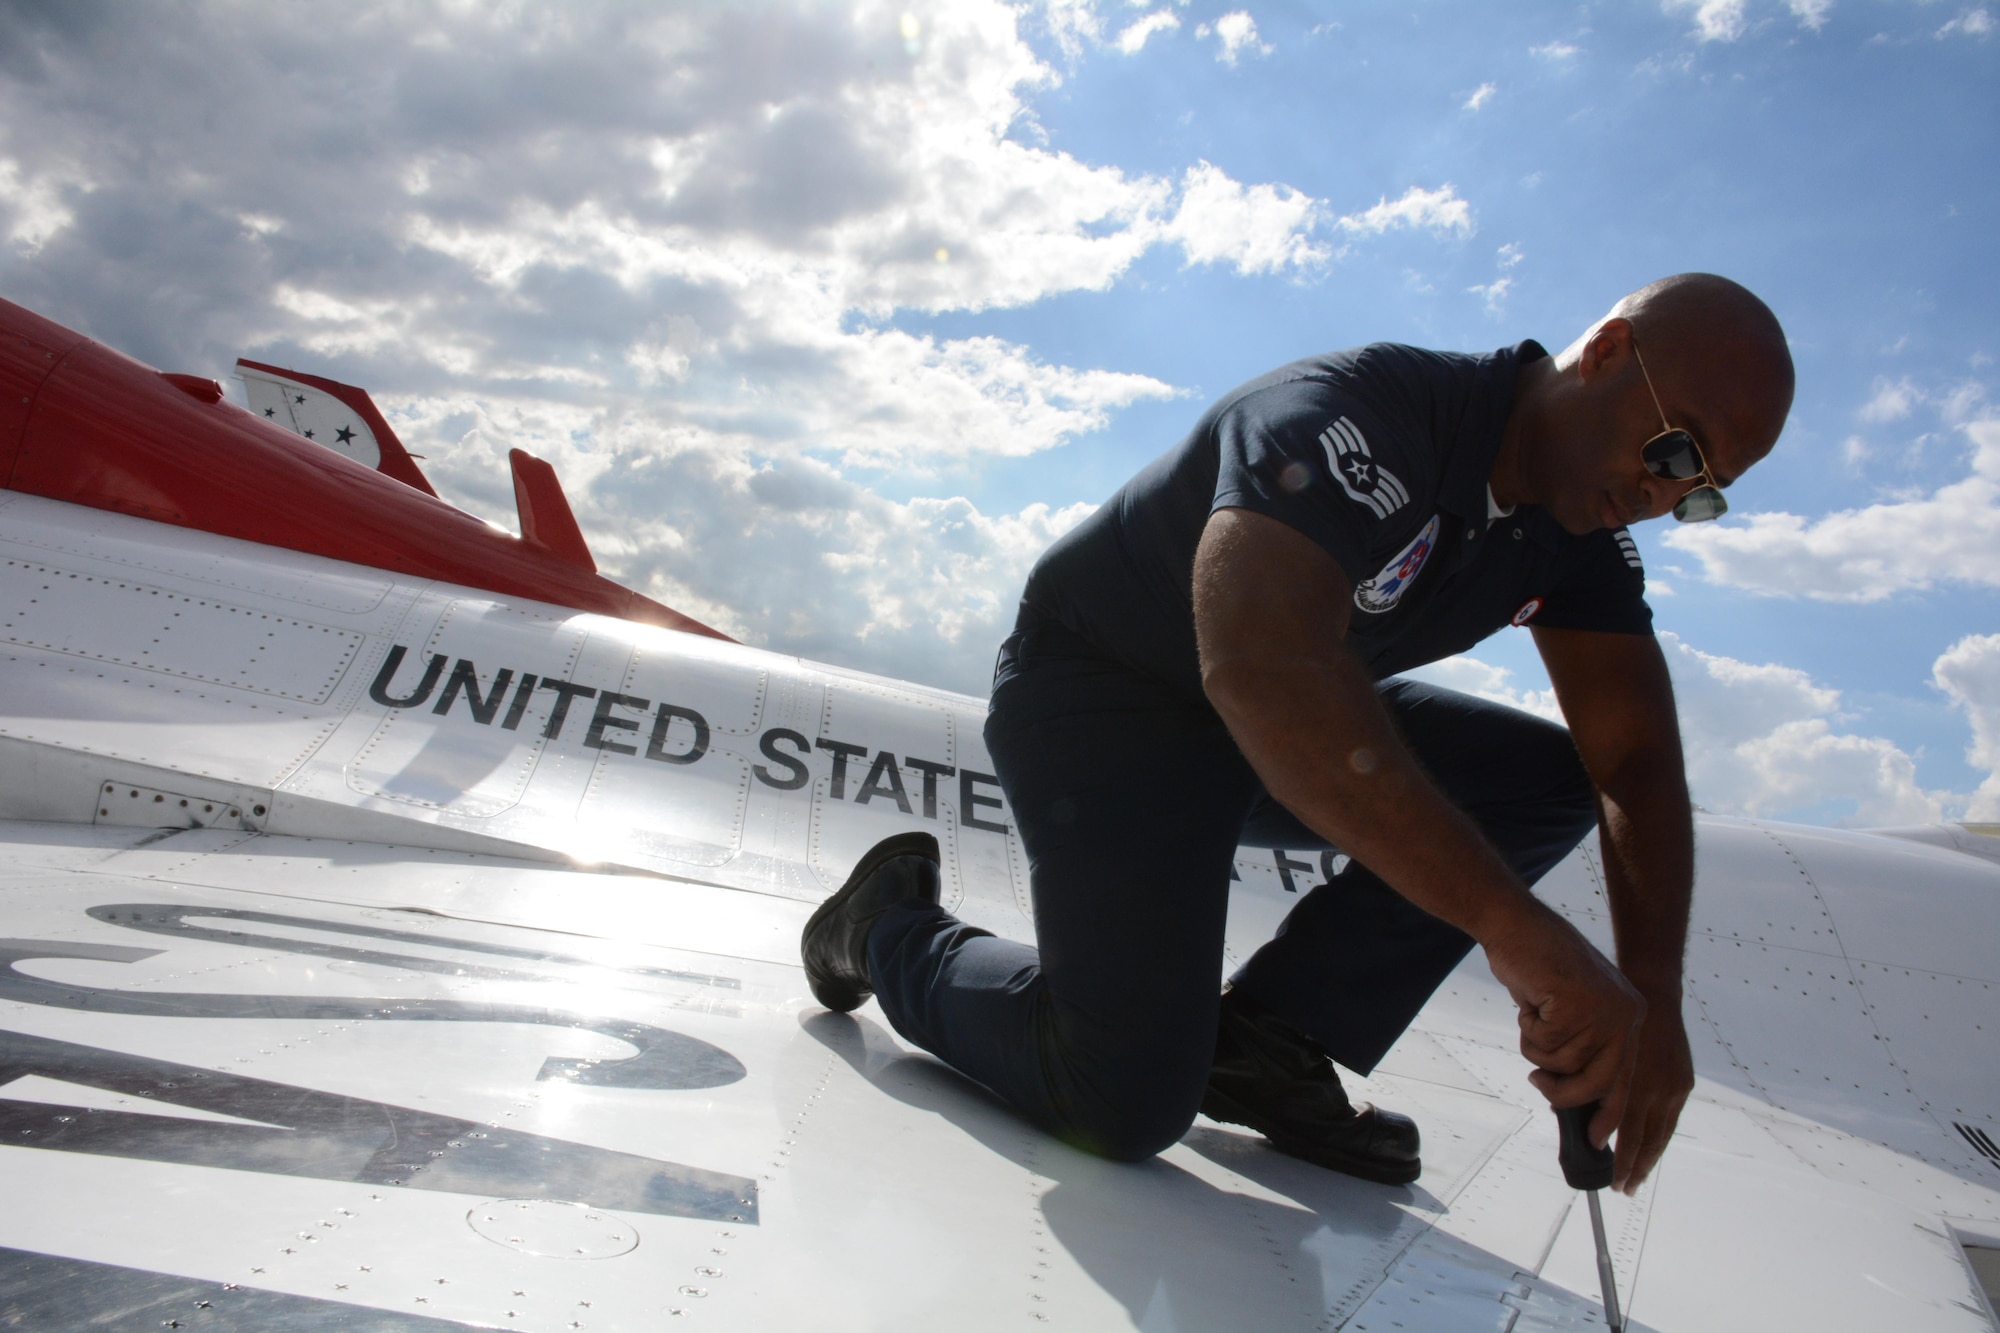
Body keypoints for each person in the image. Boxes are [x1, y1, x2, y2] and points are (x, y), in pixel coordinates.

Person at [803, 273, 1794, 1193]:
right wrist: (1515, 929)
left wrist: (1651, 991)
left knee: (1543, 780)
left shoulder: (1574, 536)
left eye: (1703, 495)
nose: (1668, 496)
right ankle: (885, 927)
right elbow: (1259, 665)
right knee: (1122, 1098)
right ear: (1611, 350)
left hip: (1270, 729)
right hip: (1106, 700)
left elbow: (1632, 760)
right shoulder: (1358, 415)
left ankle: (1269, 1037)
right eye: (1675, 452)